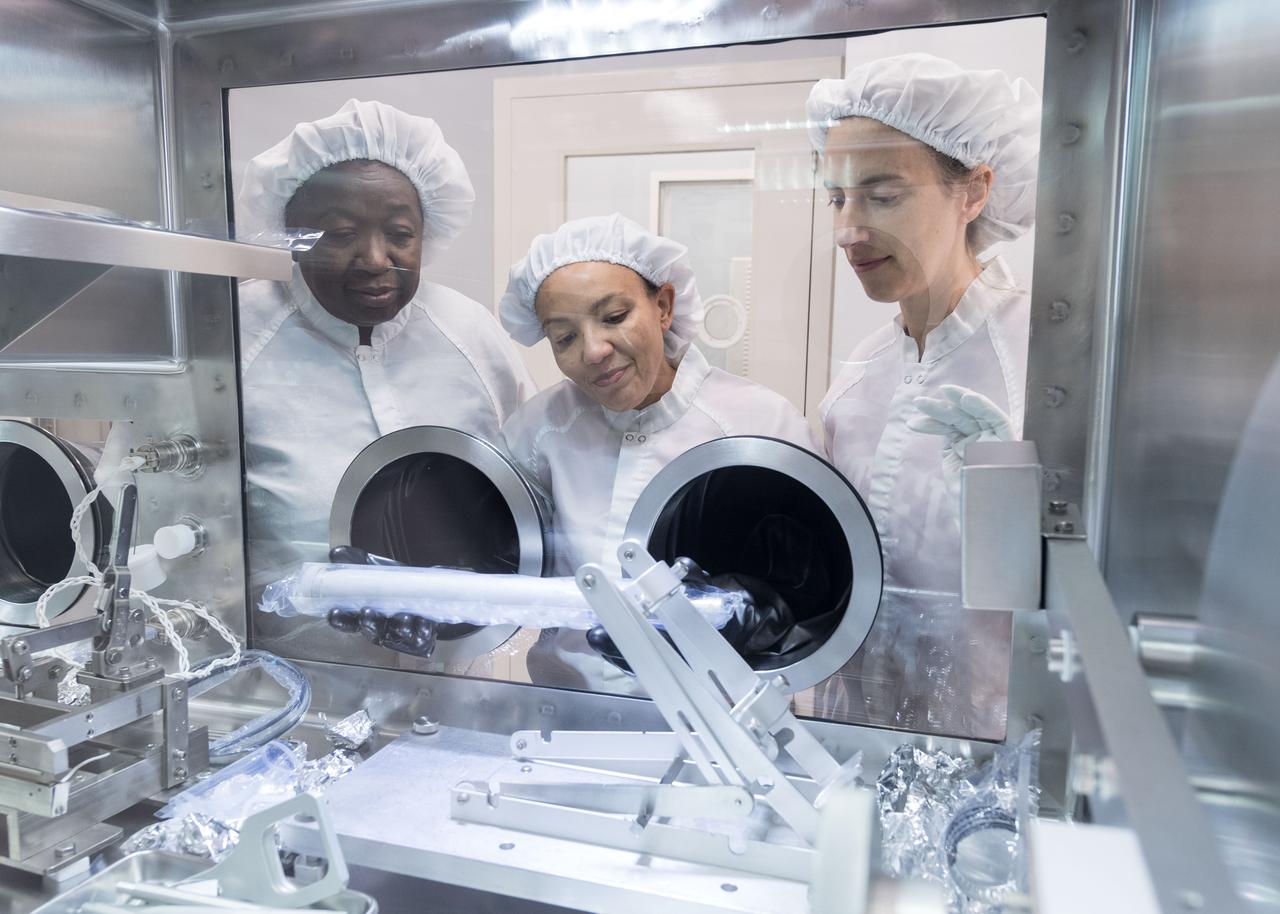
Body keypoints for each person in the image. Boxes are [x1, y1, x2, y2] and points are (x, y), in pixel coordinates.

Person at [806, 54, 1041, 737]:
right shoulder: (857, 380)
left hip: (988, 759)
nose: (850, 229)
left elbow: (1099, 599)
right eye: (836, 196)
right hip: (854, 744)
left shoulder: (1039, 364)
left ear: (973, 190)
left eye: (882, 196)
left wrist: (1011, 521)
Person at [498, 213, 816, 689]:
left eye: (614, 317)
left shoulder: (759, 425)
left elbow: (813, 597)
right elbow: (504, 566)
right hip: (565, 722)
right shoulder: (538, 431)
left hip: (727, 730)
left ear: (663, 306)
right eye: (564, 337)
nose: (594, 350)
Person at [235, 99, 535, 600]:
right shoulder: (236, 339)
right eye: (342, 234)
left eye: (399, 234)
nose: (377, 259)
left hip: (453, 667)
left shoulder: (468, 332)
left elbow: (534, 478)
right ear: (294, 237)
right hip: (288, 667)